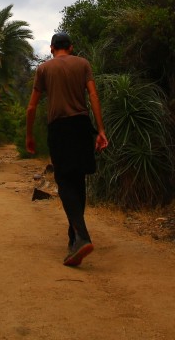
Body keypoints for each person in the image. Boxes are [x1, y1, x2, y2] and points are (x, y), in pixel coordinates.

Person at [26, 31, 108, 267]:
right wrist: (100, 130)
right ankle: (74, 236)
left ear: (52, 48)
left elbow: (31, 108)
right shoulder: (83, 64)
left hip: (59, 128)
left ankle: (81, 236)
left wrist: (30, 135)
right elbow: (93, 95)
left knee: (64, 182)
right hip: (82, 125)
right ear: (71, 47)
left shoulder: (43, 69)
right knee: (78, 179)